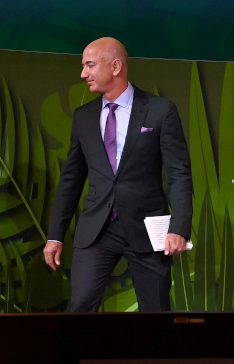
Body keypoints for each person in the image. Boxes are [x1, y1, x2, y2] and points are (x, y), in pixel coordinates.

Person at [43, 37, 193, 311]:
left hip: (147, 230)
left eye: (89, 65)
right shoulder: (83, 117)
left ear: (115, 66)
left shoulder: (160, 111)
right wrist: (55, 235)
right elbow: (71, 181)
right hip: (96, 230)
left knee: (156, 310)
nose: (82, 74)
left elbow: (179, 173)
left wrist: (179, 228)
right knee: (81, 306)